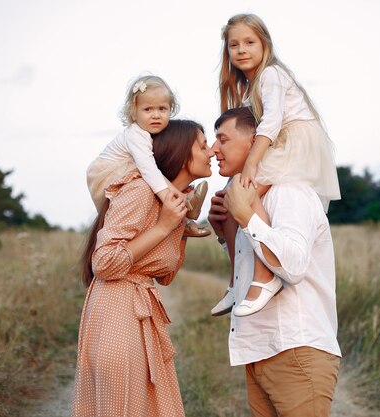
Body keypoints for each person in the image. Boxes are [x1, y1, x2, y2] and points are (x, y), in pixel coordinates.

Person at [72, 119, 214, 417]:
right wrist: (163, 227)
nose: (211, 152)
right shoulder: (138, 190)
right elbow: (104, 263)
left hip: (139, 309)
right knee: (121, 406)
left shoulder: (170, 200)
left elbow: (165, 275)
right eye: (203, 146)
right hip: (116, 309)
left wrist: (179, 227)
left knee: (146, 406)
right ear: (180, 152)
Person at [208, 107, 341, 416]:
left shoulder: (288, 192)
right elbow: (256, 267)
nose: (215, 149)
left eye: (223, 139)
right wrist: (225, 234)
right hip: (263, 351)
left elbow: (292, 265)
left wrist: (244, 216)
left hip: (295, 348)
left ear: (256, 142)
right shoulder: (252, 196)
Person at [212, 13, 340, 317]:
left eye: (249, 42)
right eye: (234, 45)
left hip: (293, 142)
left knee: (247, 190)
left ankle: (266, 277)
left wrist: (252, 164)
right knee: (231, 199)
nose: (241, 49)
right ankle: (235, 282)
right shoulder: (249, 86)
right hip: (276, 141)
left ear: (264, 44)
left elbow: (270, 123)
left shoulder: (271, 75)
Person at [86, 74, 210, 238]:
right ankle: (182, 208)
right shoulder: (136, 135)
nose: (156, 115)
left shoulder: (148, 134)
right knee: (150, 183)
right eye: (147, 109)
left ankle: (182, 212)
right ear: (134, 114)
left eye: (162, 109)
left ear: (170, 109)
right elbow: (149, 170)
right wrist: (168, 197)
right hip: (106, 172)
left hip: (134, 168)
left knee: (153, 180)